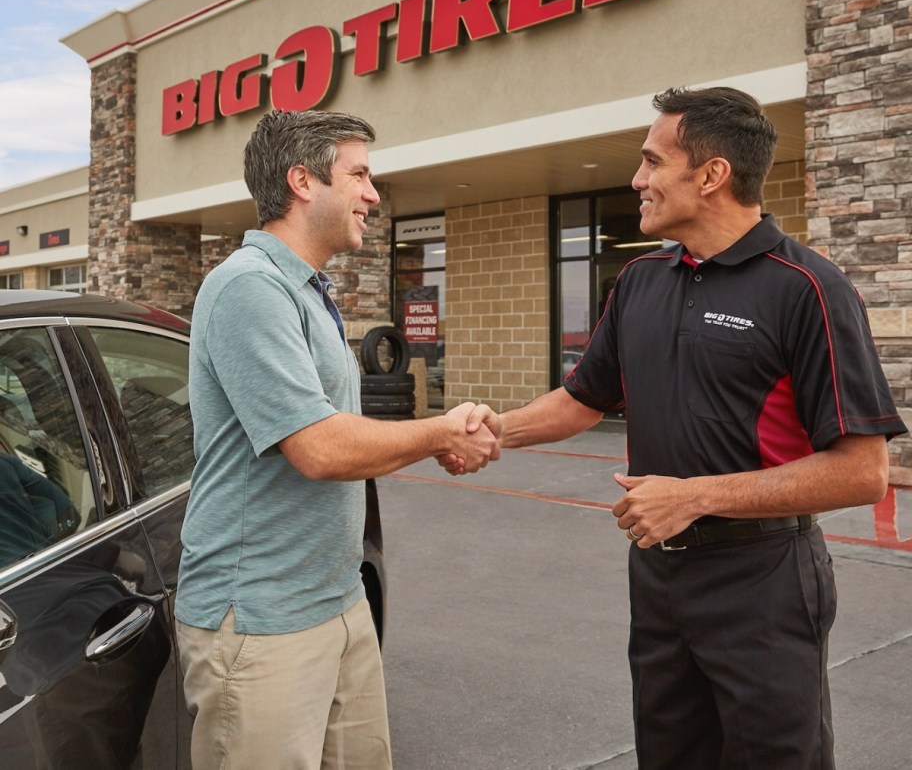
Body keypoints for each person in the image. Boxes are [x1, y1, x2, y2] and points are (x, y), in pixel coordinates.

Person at [444, 87, 907, 769]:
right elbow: (583, 399)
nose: (638, 180)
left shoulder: (808, 288)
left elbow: (861, 471)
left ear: (712, 174)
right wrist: (490, 431)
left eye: (653, 162)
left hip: (765, 579)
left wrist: (695, 496)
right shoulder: (640, 281)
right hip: (659, 577)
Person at [175, 109, 499, 770]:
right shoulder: (248, 289)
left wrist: (423, 442)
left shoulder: (308, 291)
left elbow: (334, 431)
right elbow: (317, 448)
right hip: (262, 621)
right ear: (302, 181)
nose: (373, 195)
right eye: (359, 174)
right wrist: (440, 427)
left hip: (337, 599)